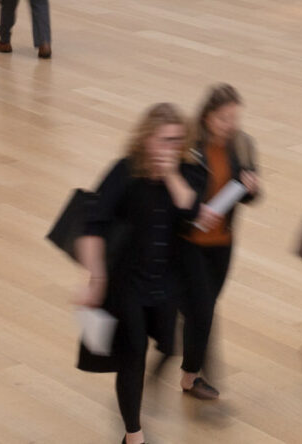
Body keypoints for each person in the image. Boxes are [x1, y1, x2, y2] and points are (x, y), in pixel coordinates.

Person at [73, 103, 196, 444]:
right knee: (132, 357)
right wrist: (96, 279)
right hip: (127, 283)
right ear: (145, 140)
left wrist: (171, 174)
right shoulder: (124, 172)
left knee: (171, 348)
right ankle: (133, 434)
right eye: (164, 140)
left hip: (166, 282)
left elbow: (192, 212)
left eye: (177, 141)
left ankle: (145, 392)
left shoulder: (182, 173)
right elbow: (92, 224)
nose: (171, 148)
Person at [175, 84, 262, 402]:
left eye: (235, 118)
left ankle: (188, 351)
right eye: (224, 118)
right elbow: (174, 195)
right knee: (203, 309)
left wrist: (251, 189)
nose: (231, 124)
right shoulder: (188, 147)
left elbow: (252, 196)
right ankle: (190, 377)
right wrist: (194, 211)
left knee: (204, 306)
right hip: (190, 241)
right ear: (208, 117)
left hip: (222, 241)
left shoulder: (242, 145)